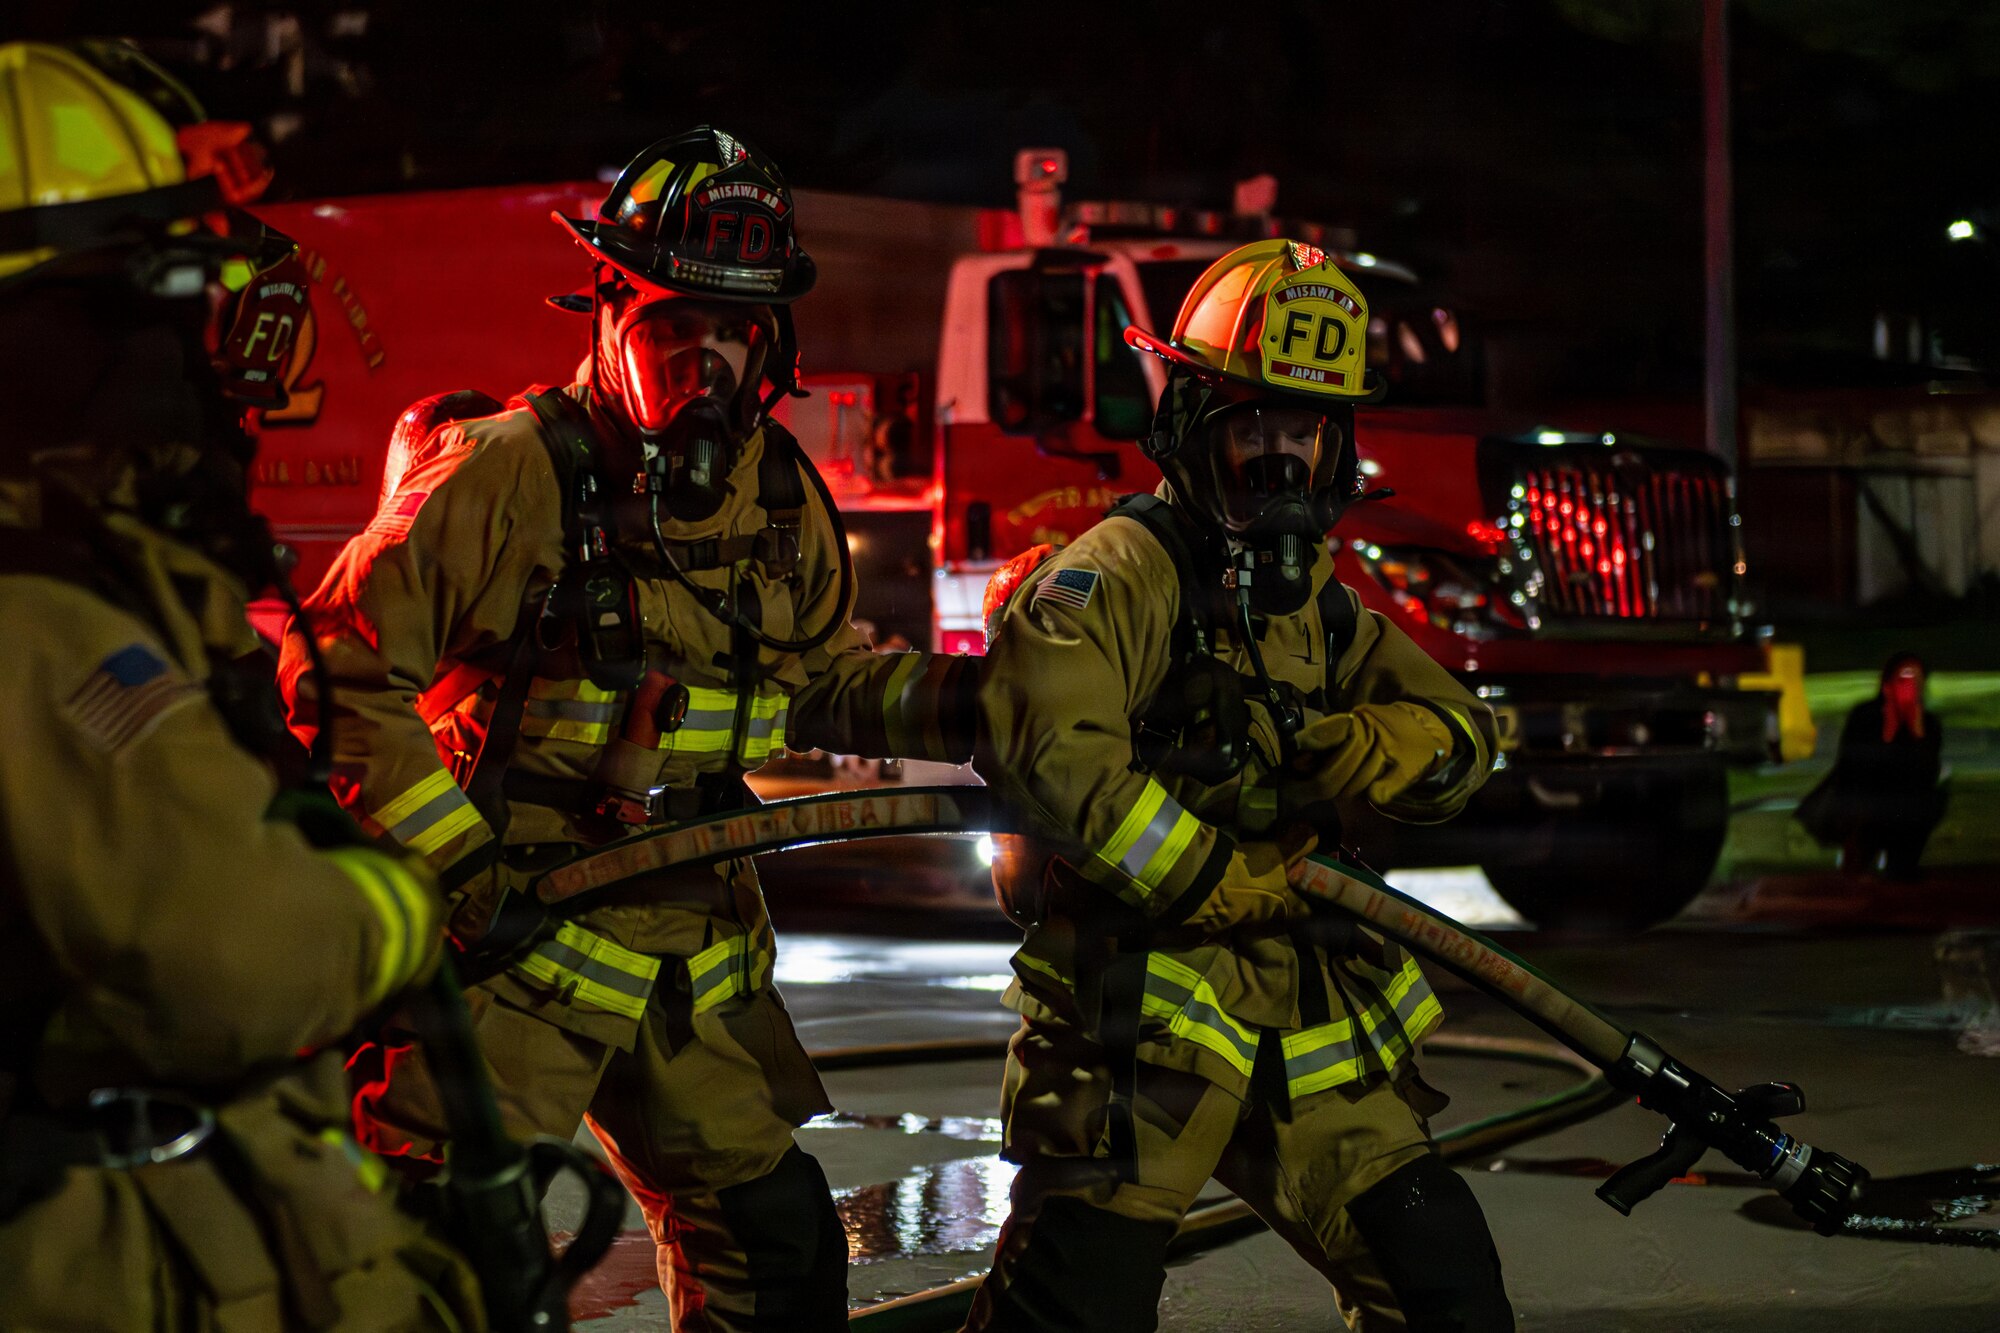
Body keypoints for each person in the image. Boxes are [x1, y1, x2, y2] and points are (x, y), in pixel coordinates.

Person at [280, 126, 976, 1329]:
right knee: (433, 1268)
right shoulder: (503, 475)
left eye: (733, 335)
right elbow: (337, 673)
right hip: (507, 954)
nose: (703, 366)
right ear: (605, 312)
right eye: (670, 328)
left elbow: (815, 672)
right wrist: (456, 873)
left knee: (772, 1244)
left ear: (771, 343)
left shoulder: (778, 494)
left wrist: (966, 705)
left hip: (685, 957)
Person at [0, 41, 478, 1330]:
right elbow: (231, 957)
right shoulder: (42, 621)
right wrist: (387, 905)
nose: (193, 359)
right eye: (153, 303)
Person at [967, 239, 1513, 1331]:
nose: (1280, 459)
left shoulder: (1315, 594)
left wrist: (1385, 746)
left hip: (1302, 1017)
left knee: (1440, 1283)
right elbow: (1053, 753)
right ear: (1190, 424)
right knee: (1075, 1309)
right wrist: (1213, 874)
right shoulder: (1119, 571)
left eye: (1303, 431)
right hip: (1141, 1025)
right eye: (1253, 424)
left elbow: (1462, 726)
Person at [1795, 652, 1946, 879]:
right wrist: (1887, 733)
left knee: (1923, 806)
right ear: (1888, 684)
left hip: (1907, 806)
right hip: (1865, 803)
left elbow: (1927, 775)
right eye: (1903, 680)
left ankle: (1899, 867)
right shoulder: (1865, 716)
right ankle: (1857, 862)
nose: (1910, 688)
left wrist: (1917, 732)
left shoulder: (1928, 724)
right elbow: (1852, 767)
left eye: (1916, 681)